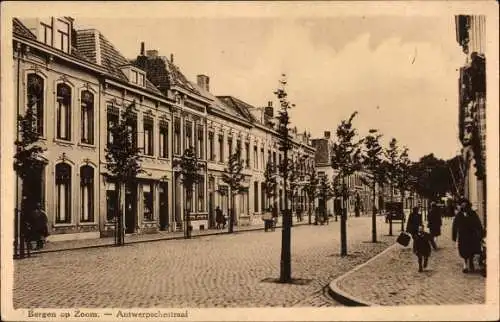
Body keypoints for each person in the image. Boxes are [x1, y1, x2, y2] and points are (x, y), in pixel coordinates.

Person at [452, 198, 484, 273]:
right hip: (463, 236)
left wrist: (481, 232)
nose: (463, 205)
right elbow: (455, 226)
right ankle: (465, 265)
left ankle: (471, 262)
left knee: (472, 250)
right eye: (462, 204)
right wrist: (454, 236)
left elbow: (478, 223)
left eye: (465, 203)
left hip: (471, 235)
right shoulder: (459, 215)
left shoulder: (472, 213)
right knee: (463, 251)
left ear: (468, 204)